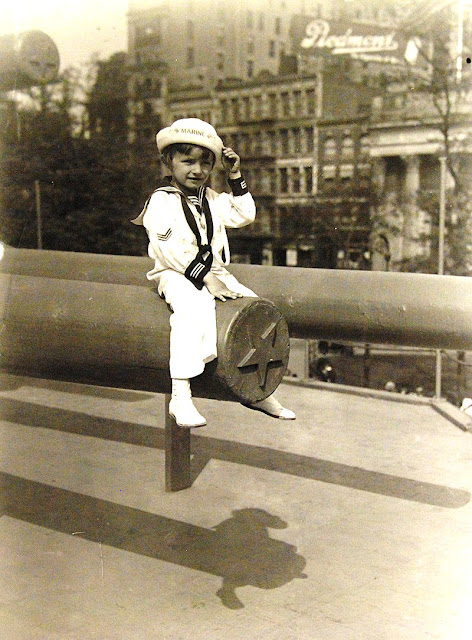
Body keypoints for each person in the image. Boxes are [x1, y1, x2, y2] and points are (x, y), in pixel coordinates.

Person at [132, 118, 295, 427]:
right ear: (169, 161)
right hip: (176, 272)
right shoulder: (161, 201)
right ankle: (181, 393)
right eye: (187, 161)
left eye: (205, 164)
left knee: (253, 309)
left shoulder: (212, 199)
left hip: (214, 271)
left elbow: (245, 215)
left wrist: (235, 175)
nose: (197, 170)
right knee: (192, 309)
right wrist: (205, 278)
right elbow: (169, 249)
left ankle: (255, 390)